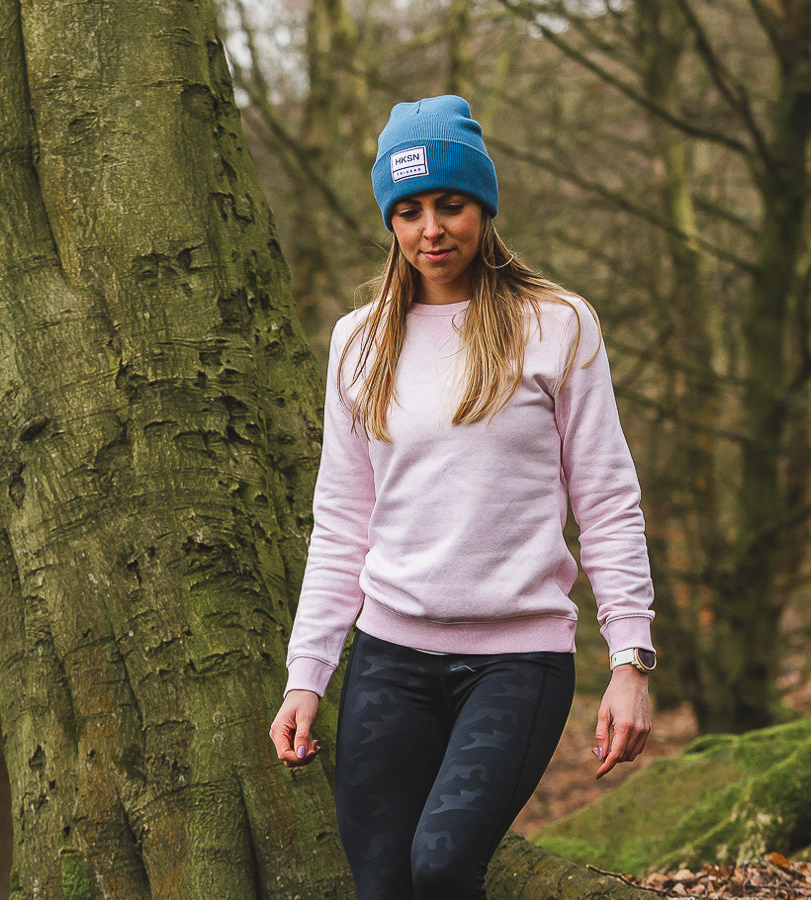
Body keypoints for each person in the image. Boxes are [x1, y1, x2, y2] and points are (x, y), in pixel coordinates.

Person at [267, 95, 658, 900]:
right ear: (390, 221)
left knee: (442, 867)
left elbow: (608, 501)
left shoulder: (558, 327)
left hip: (517, 659)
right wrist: (306, 674)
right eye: (407, 211)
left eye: (449, 204)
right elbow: (341, 521)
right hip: (389, 656)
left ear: (482, 205)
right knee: (381, 886)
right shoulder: (359, 340)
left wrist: (631, 661)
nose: (430, 228)